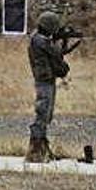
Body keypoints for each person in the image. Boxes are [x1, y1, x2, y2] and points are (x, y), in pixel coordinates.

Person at [26, 11, 70, 163]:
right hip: (44, 80)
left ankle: (42, 149)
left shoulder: (38, 39)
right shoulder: (40, 41)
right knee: (42, 113)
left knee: (46, 115)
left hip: (46, 79)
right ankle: (35, 150)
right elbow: (56, 55)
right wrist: (60, 42)